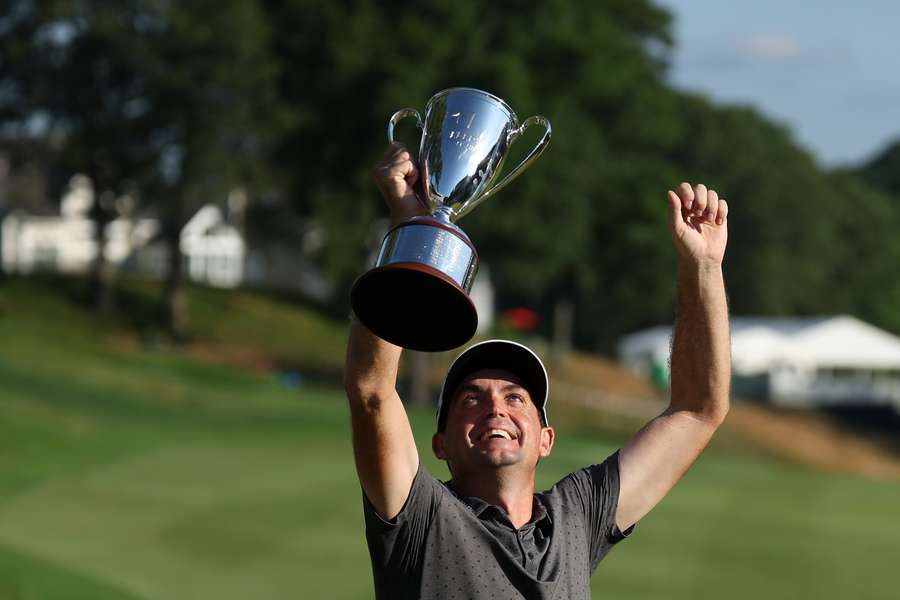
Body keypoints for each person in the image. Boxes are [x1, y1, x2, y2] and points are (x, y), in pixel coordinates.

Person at [344, 142, 731, 599]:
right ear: (440, 445)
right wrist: (413, 228)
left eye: (516, 398)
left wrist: (702, 268)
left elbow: (697, 409)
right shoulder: (420, 518)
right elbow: (372, 391)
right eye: (471, 399)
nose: (495, 409)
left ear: (546, 439)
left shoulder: (578, 517)